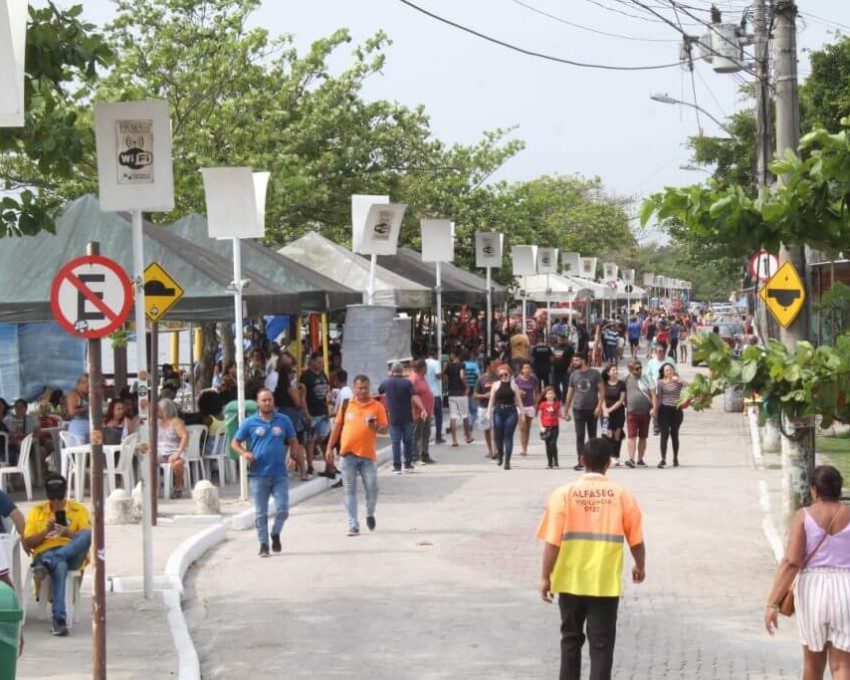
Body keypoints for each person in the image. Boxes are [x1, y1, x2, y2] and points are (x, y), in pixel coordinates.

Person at [537, 438, 646, 680]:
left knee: (570, 641)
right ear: (608, 464)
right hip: (604, 583)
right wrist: (640, 565)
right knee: (602, 645)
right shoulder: (622, 496)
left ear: (581, 461)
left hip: (569, 580)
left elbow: (552, 542)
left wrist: (545, 577)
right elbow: (636, 540)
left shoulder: (563, 495)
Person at [765, 466, 850, 680]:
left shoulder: (803, 516)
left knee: (813, 665)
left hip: (812, 588)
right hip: (847, 588)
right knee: (842, 666)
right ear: (839, 488)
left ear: (814, 490)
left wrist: (772, 603)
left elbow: (791, 562)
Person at [231, 388, 301, 557]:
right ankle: (263, 544)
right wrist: (244, 453)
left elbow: (293, 440)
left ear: (273, 401)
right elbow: (235, 442)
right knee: (260, 513)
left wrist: (293, 457)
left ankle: (275, 533)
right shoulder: (250, 422)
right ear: (258, 403)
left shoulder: (283, 420)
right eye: (264, 400)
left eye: (270, 399)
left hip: (280, 474)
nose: (267, 403)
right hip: (258, 474)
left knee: (283, 509)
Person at [24, 474, 92, 636]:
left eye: (59, 497)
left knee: (87, 534)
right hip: (44, 552)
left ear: (65, 493)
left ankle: (52, 560)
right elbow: (29, 542)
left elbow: (86, 541)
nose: (56, 502)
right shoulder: (37, 511)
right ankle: (59, 620)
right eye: (52, 498)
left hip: (71, 551)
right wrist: (45, 531)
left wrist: (68, 533)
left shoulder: (78, 510)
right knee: (60, 565)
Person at [325, 375, 388, 536]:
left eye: (366, 387)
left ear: (369, 387)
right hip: (347, 456)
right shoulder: (346, 405)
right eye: (360, 388)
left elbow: (385, 429)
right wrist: (329, 448)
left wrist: (375, 428)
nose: (363, 391)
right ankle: (353, 524)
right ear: (354, 388)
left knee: (372, 489)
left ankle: (369, 513)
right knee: (349, 491)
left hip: (367, 456)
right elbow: (337, 428)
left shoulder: (377, 406)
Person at [378, 362, 426, 473]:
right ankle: (408, 465)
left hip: (393, 417)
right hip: (407, 417)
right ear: (402, 371)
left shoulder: (387, 382)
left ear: (391, 371)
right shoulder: (407, 383)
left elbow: (380, 391)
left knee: (395, 443)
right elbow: (414, 396)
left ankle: (397, 467)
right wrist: (423, 409)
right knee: (407, 441)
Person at [269, 359, 309, 481]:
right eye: (292, 372)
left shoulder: (277, 389)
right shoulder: (291, 389)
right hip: (293, 420)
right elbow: (299, 404)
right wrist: (303, 394)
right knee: (297, 446)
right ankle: (303, 472)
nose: (294, 374)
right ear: (287, 374)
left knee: (282, 447)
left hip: (281, 417)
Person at [563, 354, 604, 472]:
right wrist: (566, 410)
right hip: (578, 409)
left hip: (592, 409)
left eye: (576, 360)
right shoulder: (574, 375)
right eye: (573, 360)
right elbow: (569, 393)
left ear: (583, 361)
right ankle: (581, 461)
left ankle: (593, 463)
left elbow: (602, 391)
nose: (574, 362)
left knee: (592, 437)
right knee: (580, 436)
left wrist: (599, 407)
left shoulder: (595, 373)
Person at [486, 365, 524, 470]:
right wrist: (488, 412)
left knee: (508, 437)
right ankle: (500, 454)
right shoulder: (496, 385)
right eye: (501, 373)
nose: (503, 375)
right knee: (498, 436)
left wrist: (522, 413)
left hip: (511, 411)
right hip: (498, 411)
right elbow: (491, 399)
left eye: (505, 373)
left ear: (509, 373)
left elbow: (519, 400)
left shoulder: (513, 385)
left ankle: (507, 462)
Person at [300, 353, 331, 478]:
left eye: (321, 362)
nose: (320, 364)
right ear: (312, 362)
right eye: (318, 362)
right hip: (312, 413)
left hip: (323, 412)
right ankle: (310, 466)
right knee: (310, 440)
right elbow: (303, 397)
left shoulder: (323, 374)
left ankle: (328, 464)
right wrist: (306, 413)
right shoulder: (305, 376)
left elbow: (327, 389)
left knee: (324, 439)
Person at [624, 361, 656, 468]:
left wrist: (654, 408)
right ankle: (631, 459)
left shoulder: (647, 379)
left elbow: (653, 395)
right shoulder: (626, 379)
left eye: (640, 368)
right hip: (632, 413)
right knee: (631, 436)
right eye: (637, 369)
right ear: (630, 370)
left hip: (645, 412)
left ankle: (640, 459)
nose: (639, 370)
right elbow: (621, 393)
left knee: (643, 437)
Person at [156, 398, 189, 498]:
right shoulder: (158, 422)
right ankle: (152, 488)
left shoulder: (176, 421)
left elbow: (185, 436)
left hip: (175, 451)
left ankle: (178, 487)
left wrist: (178, 452)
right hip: (161, 452)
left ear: (165, 410)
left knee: (177, 464)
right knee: (148, 461)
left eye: (159, 409)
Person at [656, 364, 686, 468]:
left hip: (676, 410)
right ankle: (663, 459)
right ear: (664, 373)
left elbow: (688, 386)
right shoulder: (660, 383)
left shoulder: (677, 381)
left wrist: (679, 379)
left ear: (673, 371)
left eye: (670, 370)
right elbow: (659, 397)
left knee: (674, 434)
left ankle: (675, 458)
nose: (668, 372)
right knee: (664, 435)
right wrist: (655, 410)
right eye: (666, 370)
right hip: (664, 410)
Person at [409, 360, 435, 465]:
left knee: (425, 434)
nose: (427, 369)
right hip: (418, 413)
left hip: (426, 412)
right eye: (426, 367)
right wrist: (420, 410)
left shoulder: (422, 377)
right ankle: (415, 457)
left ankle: (425, 454)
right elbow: (412, 396)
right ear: (422, 367)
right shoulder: (413, 379)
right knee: (416, 435)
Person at [445, 350, 472, 446]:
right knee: (465, 415)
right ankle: (468, 437)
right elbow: (461, 376)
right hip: (461, 393)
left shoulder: (448, 365)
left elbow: (445, 378)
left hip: (451, 393)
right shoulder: (462, 365)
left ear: (452, 355)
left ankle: (454, 440)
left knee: (453, 416)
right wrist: (466, 386)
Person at [601, 364, 626, 465]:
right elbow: (601, 398)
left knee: (617, 435)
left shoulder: (621, 384)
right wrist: (604, 409)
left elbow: (621, 400)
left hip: (618, 412)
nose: (615, 371)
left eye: (616, 370)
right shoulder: (604, 384)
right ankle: (609, 457)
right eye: (613, 370)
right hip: (606, 414)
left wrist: (610, 409)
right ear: (608, 373)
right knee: (607, 435)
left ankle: (616, 456)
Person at [474, 361, 499, 459]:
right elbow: (475, 395)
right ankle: (490, 451)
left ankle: (496, 451)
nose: (496, 367)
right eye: (494, 365)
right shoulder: (481, 379)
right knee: (486, 429)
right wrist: (484, 395)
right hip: (483, 407)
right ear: (488, 366)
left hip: (495, 406)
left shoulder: (498, 378)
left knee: (496, 429)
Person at [515, 361, 539, 457]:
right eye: (525, 368)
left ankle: (526, 447)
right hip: (520, 406)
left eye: (529, 368)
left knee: (528, 428)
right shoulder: (517, 380)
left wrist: (536, 404)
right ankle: (523, 448)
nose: (527, 370)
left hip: (530, 405)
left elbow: (537, 392)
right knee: (522, 427)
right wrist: (518, 392)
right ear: (521, 370)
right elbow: (513, 392)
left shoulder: (533, 380)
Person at [4, 398, 39, 465]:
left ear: (26, 408)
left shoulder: (32, 418)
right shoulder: (7, 419)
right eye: (17, 407)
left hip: (28, 444)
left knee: (40, 452)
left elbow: (38, 432)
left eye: (21, 407)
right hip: (11, 445)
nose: (19, 408)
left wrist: (27, 441)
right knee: (10, 455)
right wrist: (14, 441)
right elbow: (6, 434)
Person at [537, 386, 563, 469]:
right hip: (545, 427)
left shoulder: (557, 404)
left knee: (553, 443)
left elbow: (559, 414)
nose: (551, 395)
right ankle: (549, 463)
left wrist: (565, 417)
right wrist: (541, 427)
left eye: (552, 393)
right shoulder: (543, 405)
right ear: (545, 395)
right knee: (547, 445)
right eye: (549, 393)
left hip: (555, 427)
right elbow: (539, 416)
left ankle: (556, 460)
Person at [424, 350, 445, 445]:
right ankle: (438, 437)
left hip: (425, 393)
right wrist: (443, 369)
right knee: (438, 416)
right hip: (435, 393)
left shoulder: (424, 362)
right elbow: (439, 376)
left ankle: (426, 437)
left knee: (426, 416)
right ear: (435, 354)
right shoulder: (436, 363)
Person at [66, 374, 90, 443]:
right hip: (78, 428)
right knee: (80, 449)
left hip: (89, 426)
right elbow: (71, 411)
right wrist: (87, 408)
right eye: (87, 385)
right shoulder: (74, 395)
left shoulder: (88, 395)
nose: (88, 388)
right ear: (80, 384)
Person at [551, 336, 575, 403]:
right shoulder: (555, 347)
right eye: (558, 340)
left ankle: (564, 399)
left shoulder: (569, 348)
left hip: (565, 370)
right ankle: (559, 397)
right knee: (555, 384)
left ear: (564, 340)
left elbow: (572, 358)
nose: (558, 341)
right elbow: (552, 356)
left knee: (566, 385)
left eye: (560, 340)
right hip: (556, 370)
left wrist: (571, 367)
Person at [462, 351, 481, 430]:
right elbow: (479, 376)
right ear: (470, 357)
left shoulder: (461, 365)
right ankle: (470, 423)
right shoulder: (475, 365)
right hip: (473, 388)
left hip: (463, 389)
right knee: (473, 410)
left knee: (465, 409)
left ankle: (467, 425)